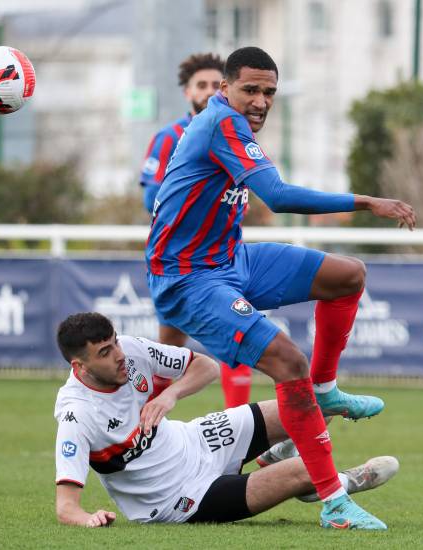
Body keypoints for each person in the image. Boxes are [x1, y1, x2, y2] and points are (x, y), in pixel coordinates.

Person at [144, 46, 416, 529]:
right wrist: (368, 201)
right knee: (288, 362)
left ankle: (325, 391)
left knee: (347, 275)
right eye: (251, 89)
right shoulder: (221, 123)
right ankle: (335, 502)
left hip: (232, 259)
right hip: (188, 277)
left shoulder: (233, 127)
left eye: (269, 92)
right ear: (225, 89)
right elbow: (279, 195)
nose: (262, 100)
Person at [54, 312, 399, 528]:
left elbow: (205, 366)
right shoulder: (77, 414)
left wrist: (169, 395)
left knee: (304, 408)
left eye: (114, 343)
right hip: (180, 497)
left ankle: (272, 455)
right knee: (307, 468)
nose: (118, 355)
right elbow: (66, 507)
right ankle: (345, 482)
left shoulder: (131, 350)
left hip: (197, 438)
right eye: (104, 353)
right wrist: (89, 519)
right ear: (79, 366)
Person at [139, 52, 253, 409]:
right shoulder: (170, 136)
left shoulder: (238, 134)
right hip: (178, 263)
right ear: (188, 92)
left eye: (212, 84)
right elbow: (150, 198)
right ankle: (144, 431)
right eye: (199, 85)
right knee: (169, 355)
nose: (206, 91)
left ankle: (241, 428)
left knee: (238, 339)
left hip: (224, 259)